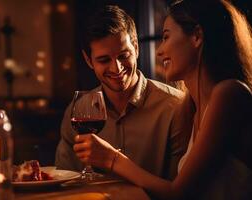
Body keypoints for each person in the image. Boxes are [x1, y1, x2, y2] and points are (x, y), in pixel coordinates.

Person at [73, 0, 252, 199]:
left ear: (197, 36)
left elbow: (179, 193)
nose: (160, 50)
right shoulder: (192, 107)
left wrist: (112, 159)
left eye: (166, 37)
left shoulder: (229, 94)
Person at [55, 5, 190, 180]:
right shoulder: (77, 110)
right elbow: (64, 180)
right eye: (104, 60)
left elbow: (180, 189)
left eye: (123, 56)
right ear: (89, 60)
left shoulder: (176, 107)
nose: (116, 68)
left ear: (136, 48)